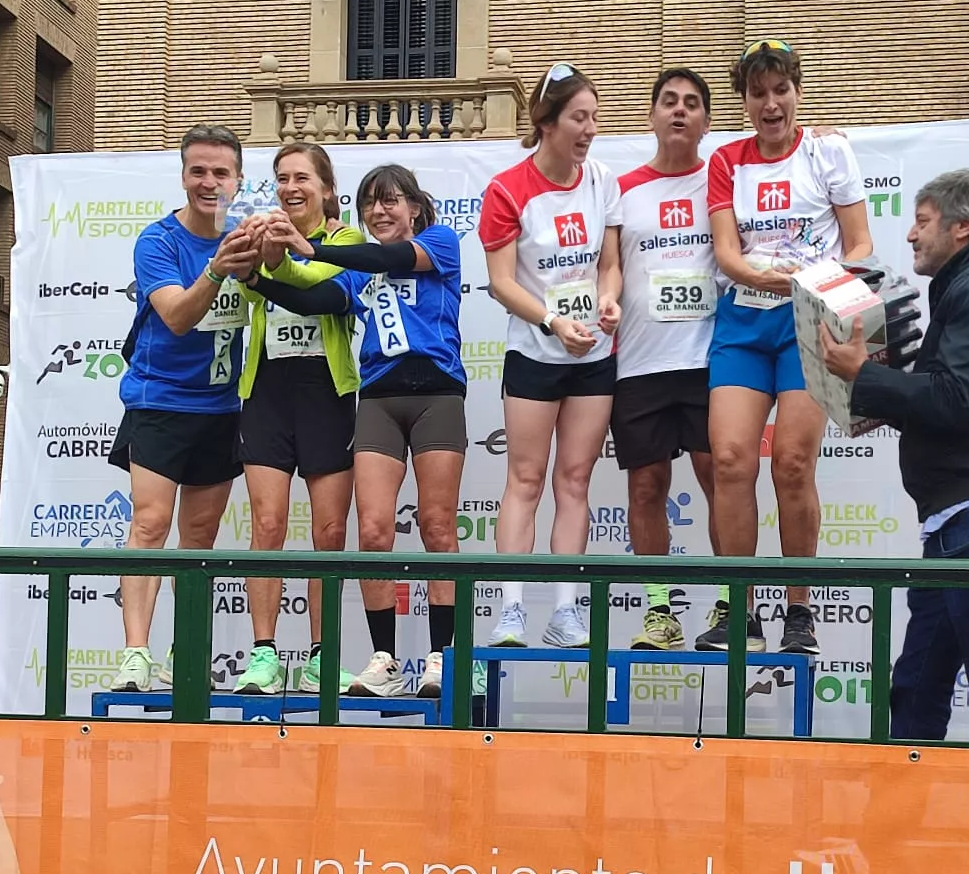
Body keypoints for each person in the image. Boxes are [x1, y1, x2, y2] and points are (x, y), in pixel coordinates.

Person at [820, 168, 969, 743]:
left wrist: (864, 379)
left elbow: (956, 399)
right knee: (917, 690)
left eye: (922, 222)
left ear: (963, 227)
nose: (910, 236)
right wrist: (876, 398)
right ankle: (900, 823)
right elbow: (956, 402)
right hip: (959, 525)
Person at [250, 164, 467, 701]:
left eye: (391, 200)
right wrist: (257, 279)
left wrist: (312, 248)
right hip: (376, 399)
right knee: (373, 533)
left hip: (436, 394)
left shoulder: (438, 243)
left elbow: (391, 258)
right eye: (370, 203)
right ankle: (385, 658)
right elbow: (315, 300)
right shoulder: (359, 270)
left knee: (438, 527)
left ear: (414, 207)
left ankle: (445, 656)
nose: (380, 211)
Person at [704, 39, 872, 655]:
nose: (771, 104)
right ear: (744, 99)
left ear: (798, 91)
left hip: (809, 322)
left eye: (781, 90)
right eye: (758, 93)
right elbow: (725, 252)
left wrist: (813, 284)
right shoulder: (727, 160)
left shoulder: (828, 151)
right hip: (743, 324)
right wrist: (762, 278)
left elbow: (858, 244)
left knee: (794, 463)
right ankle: (737, 606)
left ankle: (798, 611)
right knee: (729, 460)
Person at [109, 123, 256, 694]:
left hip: (223, 407)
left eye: (221, 172)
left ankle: (183, 653)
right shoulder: (158, 241)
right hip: (160, 400)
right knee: (148, 524)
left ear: (238, 179)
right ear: (183, 176)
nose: (209, 182)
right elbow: (175, 315)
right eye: (198, 170)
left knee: (199, 538)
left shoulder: (250, 236)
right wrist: (217, 268)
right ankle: (135, 655)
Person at [478, 63, 622, 649]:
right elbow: (500, 282)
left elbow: (610, 264)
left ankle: (567, 610)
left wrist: (608, 301)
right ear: (547, 122)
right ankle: (510, 609)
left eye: (594, 118)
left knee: (576, 478)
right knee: (526, 477)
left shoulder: (602, 180)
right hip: (536, 353)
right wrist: (552, 321)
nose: (588, 130)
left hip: (594, 354)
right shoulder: (508, 189)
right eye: (577, 118)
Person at [231, 141, 361, 696]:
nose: (291, 187)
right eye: (282, 178)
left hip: (325, 390)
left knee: (329, 531)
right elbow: (240, 283)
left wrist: (282, 260)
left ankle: (320, 656)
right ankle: (263, 653)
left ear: (327, 190)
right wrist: (253, 259)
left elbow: (329, 292)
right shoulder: (262, 235)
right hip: (267, 388)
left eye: (303, 177)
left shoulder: (348, 239)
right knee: (267, 525)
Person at [611, 69, 719, 649]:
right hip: (640, 366)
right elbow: (606, 270)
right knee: (647, 486)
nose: (680, 112)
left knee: (719, 480)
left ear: (706, 121)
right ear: (651, 115)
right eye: (669, 102)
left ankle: (731, 604)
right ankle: (659, 611)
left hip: (709, 360)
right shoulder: (622, 190)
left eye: (693, 104)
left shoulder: (722, 183)